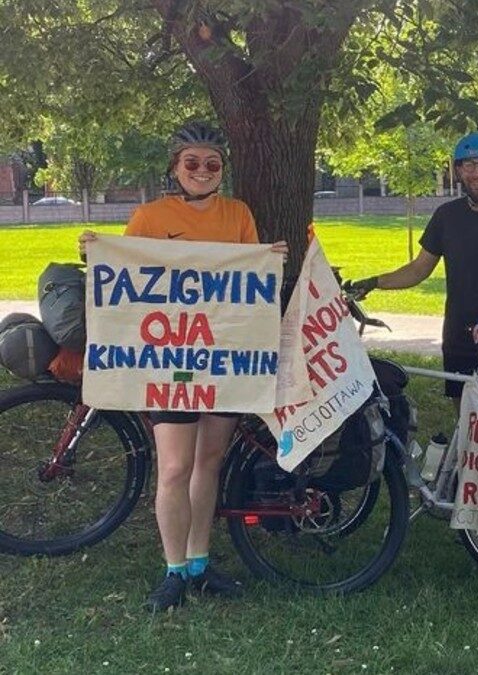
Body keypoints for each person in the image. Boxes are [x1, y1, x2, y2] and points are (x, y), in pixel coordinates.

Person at [78, 121, 288, 612]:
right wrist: (95, 253)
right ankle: (174, 570)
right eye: (191, 163)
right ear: (175, 167)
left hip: (223, 359)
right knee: (174, 467)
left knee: (208, 463)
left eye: (212, 164)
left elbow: (247, 287)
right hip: (170, 361)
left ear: (222, 170)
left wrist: (267, 259)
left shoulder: (238, 214)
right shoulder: (151, 215)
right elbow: (125, 276)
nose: (202, 171)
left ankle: (199, 562)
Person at [346, 132, 478, 402]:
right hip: (459, 332)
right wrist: (374, 282)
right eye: (468, 166)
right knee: (462, 412)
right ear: (458, 171)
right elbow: (418, 270)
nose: (477, 173)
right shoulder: (447, 216)